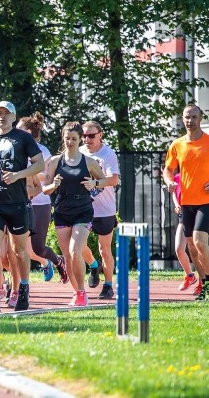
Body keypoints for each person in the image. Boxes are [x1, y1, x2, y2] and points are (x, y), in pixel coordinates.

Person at [0, 101, 45, 313]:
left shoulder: (22, 138)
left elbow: (40, 163)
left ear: (13, 117)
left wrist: (19, 175)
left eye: (6, 114)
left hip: (17, 202)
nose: (2, 117)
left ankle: (23, 287)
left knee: (19, 251)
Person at [163, 105, 209, 301]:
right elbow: (168, 169)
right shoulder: (176, 145)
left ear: (200, 119)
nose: (190, 121)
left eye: (194, 117)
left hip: (207, 200)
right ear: (182, 118)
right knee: (191, 247)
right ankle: (203, 282)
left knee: (199, 241)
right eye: (187, 117)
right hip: (186, 201)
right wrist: (169, 182)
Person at [41, 121, 106, 307]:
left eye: (74, 139)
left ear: (80, 140)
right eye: (67, 138)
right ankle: (77, 292)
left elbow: (104, 180)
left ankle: (82, 293)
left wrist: (94, 184)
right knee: (68, 256)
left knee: (74, 250)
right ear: (63, 138)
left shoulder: (88, 161)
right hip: (62, 209)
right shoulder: (55, 161)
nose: (70, 142)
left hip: (83, 209)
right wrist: (53, 185)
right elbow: (44, 189)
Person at [17, 113, 68, 285]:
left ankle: (57, 261)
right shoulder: (15, 150)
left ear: (30, 135)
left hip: (39, 203)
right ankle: (16, 286)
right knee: (18, 248)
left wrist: (25, 174)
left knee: (38, 247)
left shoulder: (42, 150)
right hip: (18, 202)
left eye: (20, 131)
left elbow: (46, 177)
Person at [79, 120, 121, 299]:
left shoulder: (107, 154)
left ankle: (109, 285)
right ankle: (94, 265)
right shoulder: (78, 152)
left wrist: (95, 183)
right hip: (83, 208)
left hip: (104, 210)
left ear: (100, 135)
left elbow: (113, 180)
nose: (87, 139)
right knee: (78, 245)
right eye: (84, 136)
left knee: (104, 249)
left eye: (91, 136)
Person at [171, 172, 199, 294]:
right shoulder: (177, 177)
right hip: (184, 215)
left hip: (198, 213)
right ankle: (190, 275)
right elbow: (174, 192)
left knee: (198, 248)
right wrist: (177, 205)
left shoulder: (198, 174)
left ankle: (205, 282)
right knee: (179, 248)